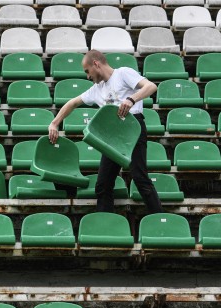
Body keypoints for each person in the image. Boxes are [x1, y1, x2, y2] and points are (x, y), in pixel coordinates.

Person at [48, 50, 163, 213]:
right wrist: (54, 123)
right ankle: (106, 224)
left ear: (96, 64)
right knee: (103, 185)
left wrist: (131, 100)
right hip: (112, 134)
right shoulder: (96, 89)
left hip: (132, 129)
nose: (87, 76)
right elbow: (72, 103)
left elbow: (151, 86)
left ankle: (158, 220)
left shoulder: (123, 73)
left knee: (139, 178)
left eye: (87, 71)